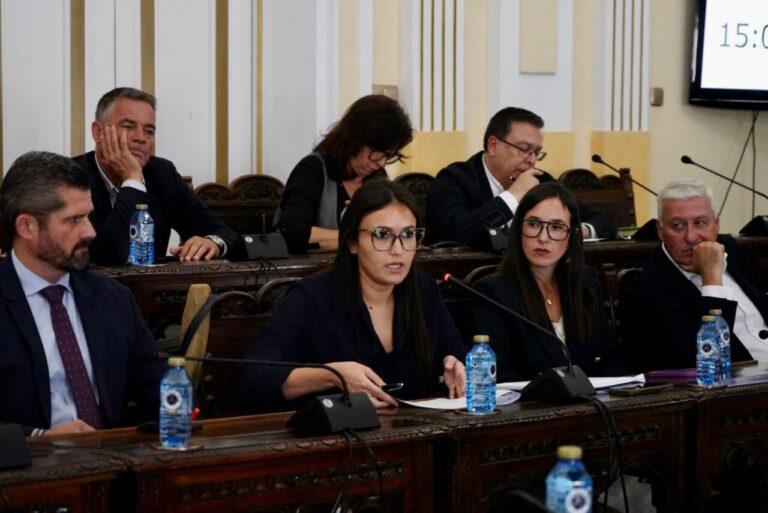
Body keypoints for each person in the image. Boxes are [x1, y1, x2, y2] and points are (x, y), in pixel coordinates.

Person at [233, 179, 466, 413]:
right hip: (339, 440)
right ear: (353, 242)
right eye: (382, 235)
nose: (398, 250)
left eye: (408, 235)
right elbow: (249, 383)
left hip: (413, 436)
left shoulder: (423, 289)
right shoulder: (311, 298)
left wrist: (456, 367)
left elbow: (455, 355)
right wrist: (331, 376)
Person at [0, 151, 166, 436]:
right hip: (24, 474)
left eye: (88, 216)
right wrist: (38, 439)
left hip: (111, 465)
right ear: (26, 226)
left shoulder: (112, 298)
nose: (90, 231)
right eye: (74, 220)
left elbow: (159, 387)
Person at [469, 182, 623, 382]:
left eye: (557, 227)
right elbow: (494, 372)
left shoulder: (586, 283)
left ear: (571, 236)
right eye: (534, 224)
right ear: (518, 230)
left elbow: (611, 357)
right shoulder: (493, 293)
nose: (543, 238)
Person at [74, 87, 242, 265]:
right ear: (98, 132)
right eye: (128, 127)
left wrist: (212, 242)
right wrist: (132, 179)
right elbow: (113, 253)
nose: (141, 138)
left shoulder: (162, 174)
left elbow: (225, 233)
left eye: (149, 131)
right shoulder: (70, 177)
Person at [622, 179, 768, 371]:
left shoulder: (728, 248)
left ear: (716, 224)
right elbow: (708, 359)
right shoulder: (651, 286)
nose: (691, 237)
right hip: (737, 386)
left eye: (700, 223)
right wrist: (712, 278)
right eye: (677, 226)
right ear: (660, 230)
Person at [426, 107, 616, 248]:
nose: (531, 160)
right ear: (493, 146)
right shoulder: (455, 179)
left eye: (537, 152)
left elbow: (604, 222)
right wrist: (512, 197)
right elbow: (451, 235)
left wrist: (578, 231)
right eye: (524, 150)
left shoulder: (541, 181)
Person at [275, 94, 413, 254]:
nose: (381, 162)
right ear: (354, 139)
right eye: (378, 153)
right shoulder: (313, 169)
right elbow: (292, 232)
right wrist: (358, 238)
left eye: (388, 155)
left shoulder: (377, 178)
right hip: (316, 271)